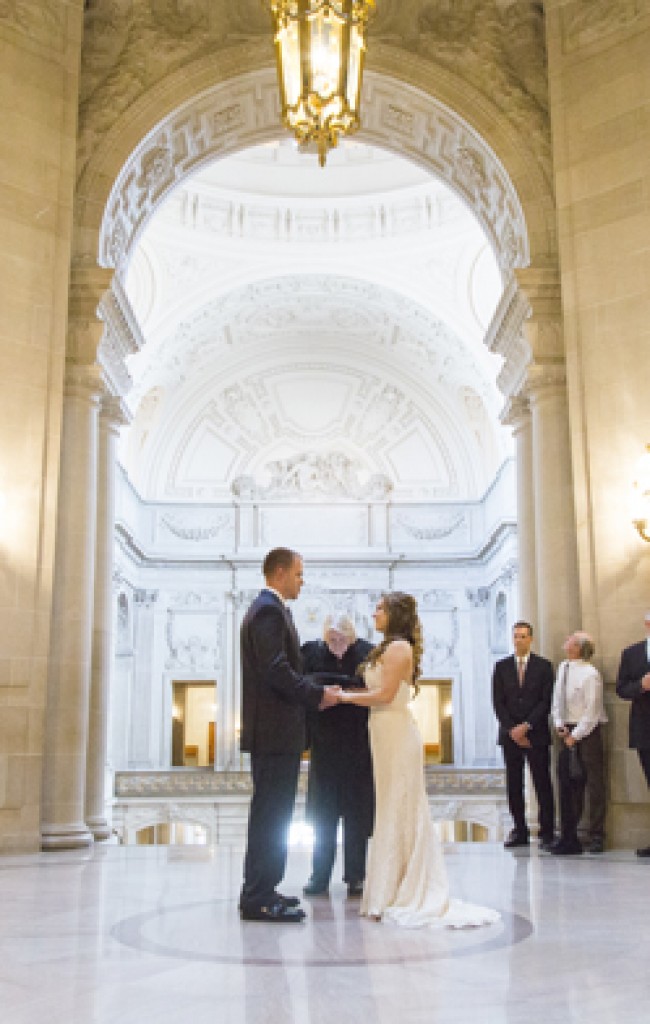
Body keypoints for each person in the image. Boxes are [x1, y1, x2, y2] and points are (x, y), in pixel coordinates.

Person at [337, 592, 499, 928]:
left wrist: (342, 697)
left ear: (394, 614)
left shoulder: (399, 649)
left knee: (400, 806)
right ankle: (389, 889)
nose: (374, 613)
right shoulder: (386, 647)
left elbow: (383, 696)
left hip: (396, 733)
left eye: (380, 608)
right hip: (382, 733)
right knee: (388, 807)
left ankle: (400, 891)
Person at [238, 547, 340, 923]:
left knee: (273, 815)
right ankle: (258, 897)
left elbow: (281, 668)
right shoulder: (268, 610)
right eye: (298, 573)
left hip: (276, 732)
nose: (302, 580)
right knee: (271, 815)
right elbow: (276, 670)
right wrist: (317, 696)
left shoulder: (270, 609)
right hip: (274, 732)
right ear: (279, 573)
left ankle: (263, 888)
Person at [301, 614, 373, 898]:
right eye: (332, 639)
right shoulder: (311, 652)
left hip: (359, 746)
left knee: (357, 818)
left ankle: (356, 877)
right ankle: (319, 876)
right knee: (323, 818)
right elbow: (305, 686)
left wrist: (339, 690)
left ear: (352, 637)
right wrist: (340, 687)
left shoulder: (367, 652)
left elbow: (372, 690)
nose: (337, 644)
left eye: (342, 639)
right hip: (325, 746)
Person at [492, 621, 555, 850]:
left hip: (535, 734)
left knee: (542, 782)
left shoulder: (544, 667)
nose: (518, 640)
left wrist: (526, 726)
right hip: (510, 736)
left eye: (523, 636)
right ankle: (520, 830)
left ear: (531, 639)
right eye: (516, 636)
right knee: (514, 784)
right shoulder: (501, 667)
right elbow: (498, 703)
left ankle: (547, 831)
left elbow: (545, 701)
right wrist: (513, 729)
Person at [550, 631, 607, 855]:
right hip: (566, 729)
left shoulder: (590, 674)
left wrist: (577, 734)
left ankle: (596, 834)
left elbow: (592, 710)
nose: (566, 643)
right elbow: (557, 699)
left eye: (571, 641)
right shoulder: (563, 668)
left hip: (587, 731)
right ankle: (569, 833)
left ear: (578, 647)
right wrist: (559, 724)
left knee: (593, 782)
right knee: (567, 782)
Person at [616, 611, 650, 857]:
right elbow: (621, 689)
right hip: (645, 729)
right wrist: (641, 686)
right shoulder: (632, 653)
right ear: (646, 624)